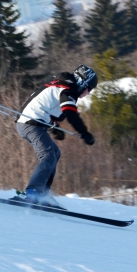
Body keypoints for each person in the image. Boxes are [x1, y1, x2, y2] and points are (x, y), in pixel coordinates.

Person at [15, 64, 97, 208]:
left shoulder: (63, 86)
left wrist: (55, 128)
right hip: (30, 123)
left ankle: (43, 193)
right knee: (48, 155)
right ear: (82, 83)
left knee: (55, 153)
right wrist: (84, 133)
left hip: (34, 123)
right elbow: (71, 115)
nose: (88, 93)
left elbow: (50, 110)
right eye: (89, 88)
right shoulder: (66, 90)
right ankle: (33, 192)